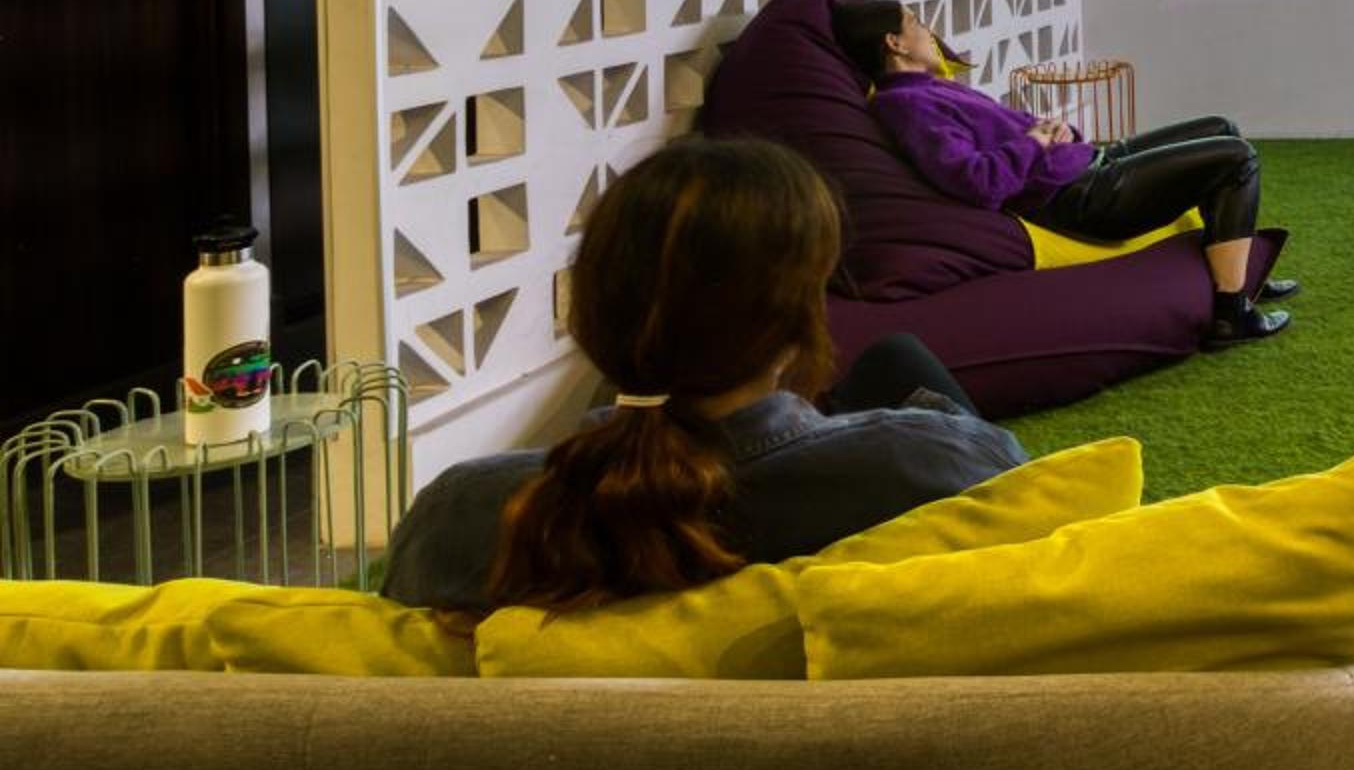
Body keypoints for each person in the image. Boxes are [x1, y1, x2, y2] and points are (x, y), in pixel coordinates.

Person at [380, 136, 1032, 612]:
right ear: (796, 323)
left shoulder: (461, 514)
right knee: (897, 362)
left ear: (593, 316)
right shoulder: (939, 464)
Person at [829, 0, 1295, 346]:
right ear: (894, 43)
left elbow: (1013, 131)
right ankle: (1231, 312)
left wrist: (1060, 132)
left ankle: (1240, 276)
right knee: (1236, 157)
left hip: (1089, 161)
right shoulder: (906, 105)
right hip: (1083, 196)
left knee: (1219, 127)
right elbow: (976, 181)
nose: (930, 33)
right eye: (916, 24)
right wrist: (1035, 141)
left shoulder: (930, 88)